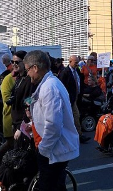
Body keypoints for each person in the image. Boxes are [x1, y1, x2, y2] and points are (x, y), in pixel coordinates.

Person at [23, 50, 79, 191]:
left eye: (28, 70)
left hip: (52, 149)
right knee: (57, 186)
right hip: (51, 148)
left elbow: (53, 124)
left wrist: (43, 149)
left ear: (35, 67)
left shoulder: (49, 87)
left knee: (49, 186)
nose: (27, 74)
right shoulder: (48, 83)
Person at [58, 55, 91, 144]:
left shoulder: (77, 71)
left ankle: (76, 135)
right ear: (70, 62)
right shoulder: (65, 73)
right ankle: (79, 136)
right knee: (75, 116)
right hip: (69, 99)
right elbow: (61, 86)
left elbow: (80, 82)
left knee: (76, 116)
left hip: (77, 97)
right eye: (75, 63)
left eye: (77, 62)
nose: (77, 64)